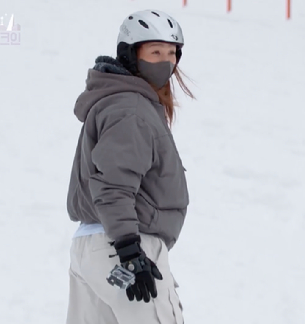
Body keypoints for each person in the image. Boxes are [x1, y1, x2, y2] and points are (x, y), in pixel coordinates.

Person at [65, 9, 194, 324]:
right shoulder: (131, 108)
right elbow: (113, 184)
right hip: (123, 246)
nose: (166, 60)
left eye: (171, 52)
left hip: (94, 246)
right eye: (154, 52)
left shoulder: (119, 102)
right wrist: (130, 252)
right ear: (131, 54)